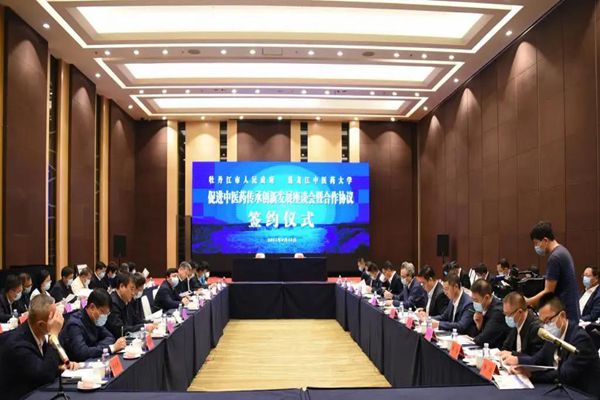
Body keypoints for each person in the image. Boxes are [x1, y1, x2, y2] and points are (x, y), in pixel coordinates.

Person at [503, 293, 600, 397]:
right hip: (561, 387)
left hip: (581, 393)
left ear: (562, 315)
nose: (546, 326)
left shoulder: (580, 339)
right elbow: (538, 359)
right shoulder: (553, 335)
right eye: (543, 322)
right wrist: (519, 363)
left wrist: (531, 375)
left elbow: (565, 374)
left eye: (548, 320)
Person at [2, 294, 80, 399]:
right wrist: (54, 335)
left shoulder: (39, 333)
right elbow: (44, 376)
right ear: (41, 325)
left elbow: (42, 365)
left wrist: (61, 367)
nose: (58, 320)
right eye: (54, 317)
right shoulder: (17, 345)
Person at [526, 222, 580, 321]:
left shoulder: (555, 258)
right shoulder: (562, 251)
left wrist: (527, 301)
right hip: (571, 309)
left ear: (545, 240)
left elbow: (548, 291)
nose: (536, 247)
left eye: (536, 243)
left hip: (564, 312)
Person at [60, 288, 126, 362]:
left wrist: (93, 348)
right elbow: (82, 353)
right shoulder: (75, 324)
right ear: (92, 307)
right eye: (102, 312)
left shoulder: (95, 319)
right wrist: (111, 348)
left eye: (106, 314)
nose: (104, 316)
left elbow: (110, 337)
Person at [106, 273, 154, 338]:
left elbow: (135, 320)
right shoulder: (112, 303)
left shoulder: (126, 299)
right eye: (131, 289)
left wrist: (151, 323)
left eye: (134, 289)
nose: (133, 293)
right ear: (122, 286)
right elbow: (120, 330)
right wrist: (144, 327)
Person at [500, 292, 543, 356]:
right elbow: (506, 347)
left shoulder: (536, 328)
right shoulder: (516, 322)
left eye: (508, 314)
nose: (507, 317)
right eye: (505, 314)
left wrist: (513, 354)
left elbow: (535, 358)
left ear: (520, 312)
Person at [470, 279, 509, 348]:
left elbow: (483, 339)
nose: (474, 303)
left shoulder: (498, 312)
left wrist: (472, 339)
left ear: (486, 297)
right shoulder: (482, 308)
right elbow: (472, 333)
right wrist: (478, 325)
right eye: (472, 299)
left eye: (476, 300)